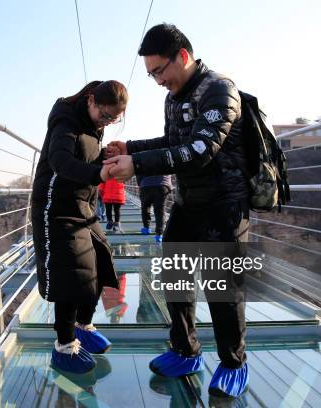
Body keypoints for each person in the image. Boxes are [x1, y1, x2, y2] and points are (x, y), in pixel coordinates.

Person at [103, 24, 250, 397]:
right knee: (175, 275)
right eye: (151, 74)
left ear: (182, 56)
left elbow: (200, 150)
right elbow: (173, 141)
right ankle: (186, 351)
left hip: (224, 205)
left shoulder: (219, 90)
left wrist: (137, 165)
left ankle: (234, 362)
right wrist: (130, 147)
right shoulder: (174, 97)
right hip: (189, 202)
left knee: (222, 288)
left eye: (159, 71)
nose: (157, 80)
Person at [31, 80, 128, 374]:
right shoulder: (65, 121)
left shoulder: (93, 126)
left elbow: (85, 157)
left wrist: (104, 155)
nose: (108, 122)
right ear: (90, 101)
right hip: (56, 206)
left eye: (114, 118)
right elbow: (61, 161)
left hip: (83, 205)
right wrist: (99, 171)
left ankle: (83, 325)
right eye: (105, 115)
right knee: (71, 273)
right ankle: (64, 346)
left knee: (99, 260)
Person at [136, 175, 173, 242]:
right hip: (162, 184)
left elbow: (139, 173)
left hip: (146, 184)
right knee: (160, 211)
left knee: (145, 208)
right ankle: (159, 234)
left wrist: (140, 184)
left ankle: (146, 228)